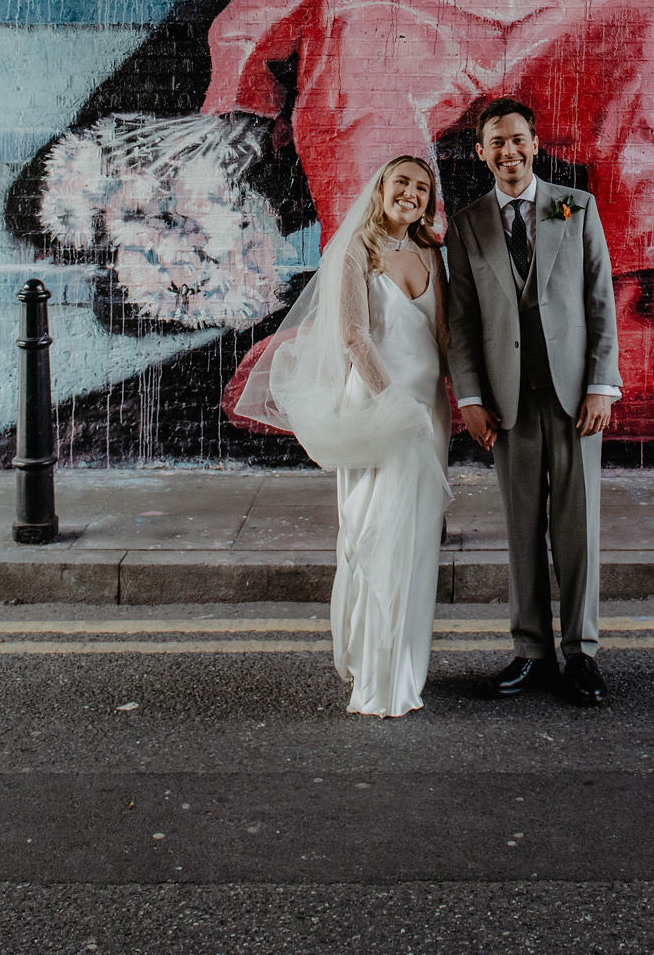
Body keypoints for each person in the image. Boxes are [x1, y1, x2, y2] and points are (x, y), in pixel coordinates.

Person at [235, 155, 450, 717]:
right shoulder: (356, 250)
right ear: (381, 189)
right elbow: (354, 336)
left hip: (429, 411)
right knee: (377, 532)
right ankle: (378, 678)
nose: (411, 193)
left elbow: (445, 335)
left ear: (429, 202)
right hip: (380, 408)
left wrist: (463, 400)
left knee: (418, 539)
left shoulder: (431, 253)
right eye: (401, 182)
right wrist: (394, 404)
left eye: (422, 188)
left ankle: (405, 663)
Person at [445, 98, 619, 707]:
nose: (508, 151)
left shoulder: (576, 206)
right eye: (496, 142)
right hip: (507, 402)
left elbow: (600, 299)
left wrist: (602, 384)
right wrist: (468, 397)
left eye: (517, 139)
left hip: (574, 398)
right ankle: (529, 649)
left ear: (535, 143)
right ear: (481, 152)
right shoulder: (468, 225)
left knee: (578, 529)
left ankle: (581, 653)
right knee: (521, 529)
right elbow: (461, 321)